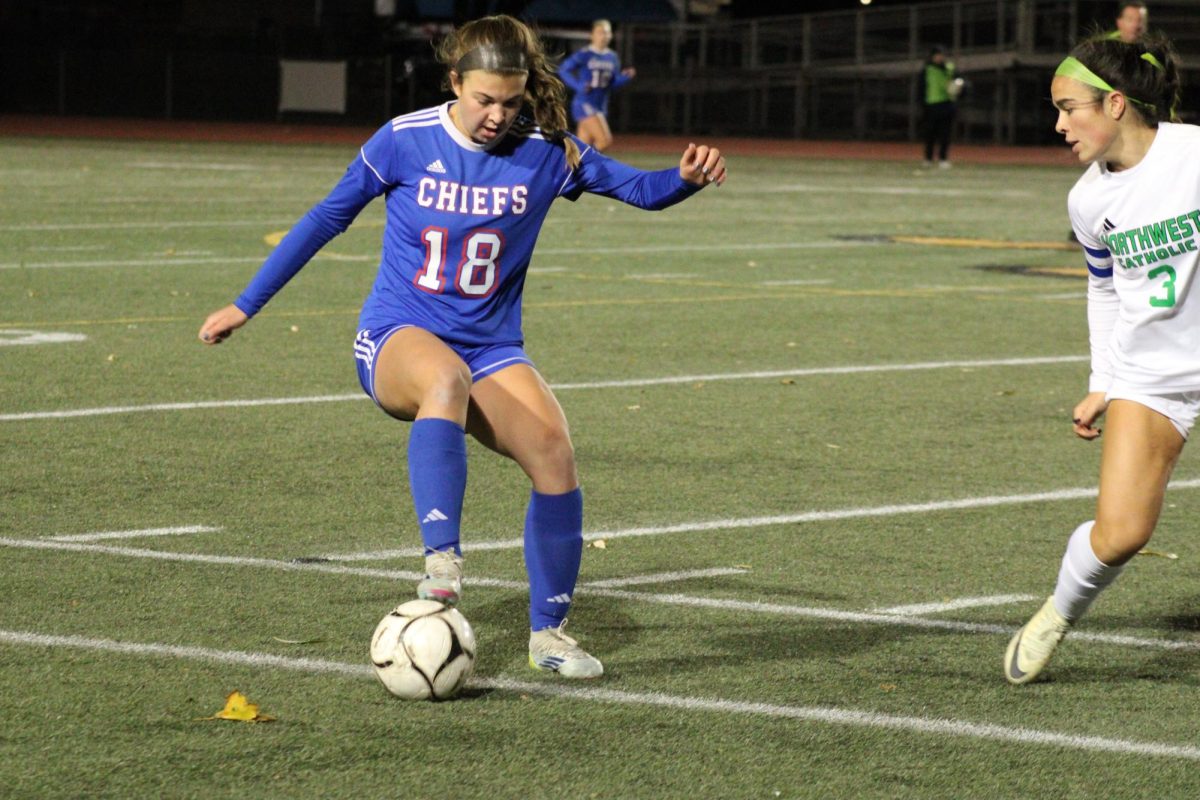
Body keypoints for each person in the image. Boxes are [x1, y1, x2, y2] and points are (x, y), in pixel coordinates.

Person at [197, 14, 725, 681]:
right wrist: (246, 304)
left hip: (492, 347)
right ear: (454, 82)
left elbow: (639, 189)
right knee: (443, 377)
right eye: (483, 99)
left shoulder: (547, 151)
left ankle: (549, 635)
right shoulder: (405, 140)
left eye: (509, 100)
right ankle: (441, 568)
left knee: (555, 455)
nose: (496, 116)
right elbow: (327, 217)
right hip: (397, 337)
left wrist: (684, 177)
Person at [1004, 33, 1188, 685]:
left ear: (1115, 104)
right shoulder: (1088, 201)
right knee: (1120, 535)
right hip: (1154, 377)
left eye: (1067, 108)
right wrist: (1103, 381)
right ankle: (1058, 612)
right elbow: (1105, 289)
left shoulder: (1195, 156)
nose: (1057, 125)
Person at [557, 19, 635, 152]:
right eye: (600, 32)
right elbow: (563, 69)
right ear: (592, 35)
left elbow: (610, 84)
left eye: (607, 33)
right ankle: (589, 165)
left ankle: (573, 169)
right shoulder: (585, 54)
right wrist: (578, 86)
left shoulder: (612, 57)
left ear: (611, 35)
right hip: (584, 102)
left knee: (581, 149)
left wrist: (625, 78)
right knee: (604, 141)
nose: (604, 36)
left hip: (600, 105)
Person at [920, 45, 961, 168]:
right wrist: (922, 104)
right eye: (937, 55)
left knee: (945, 134)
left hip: (947, 104)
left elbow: (959, 82)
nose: (939, 57)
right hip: (931, 105)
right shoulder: (927, 69)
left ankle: (943, 158)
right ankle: (928, 158)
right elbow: (921, 88)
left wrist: (958, 88)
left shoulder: (950, 68)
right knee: (930, 134)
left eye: (941, 55)